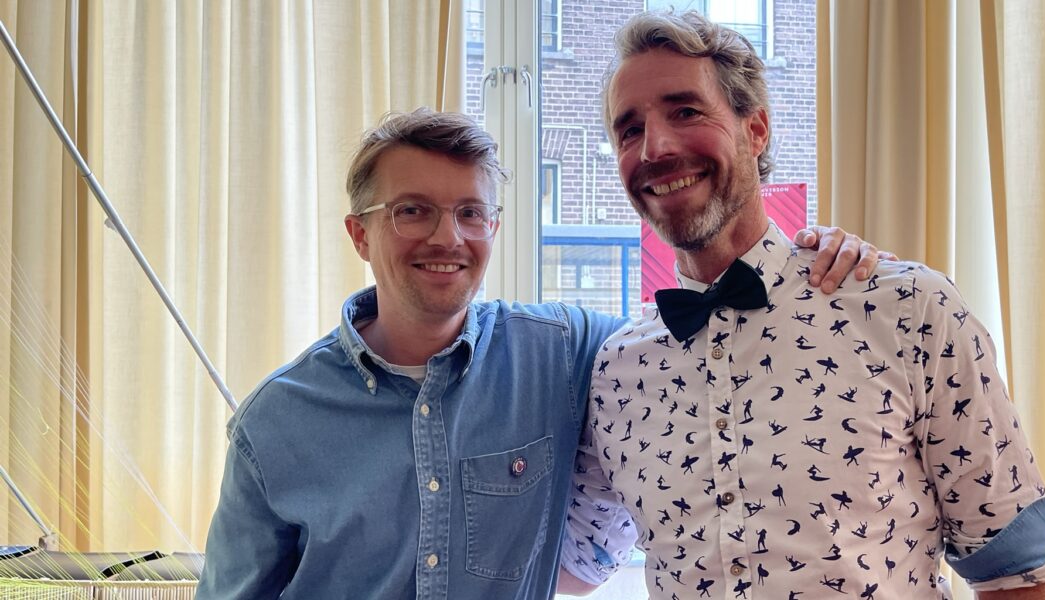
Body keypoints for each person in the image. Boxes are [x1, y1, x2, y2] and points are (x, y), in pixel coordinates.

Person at [196, 108, 882, 599]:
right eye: (412, 210)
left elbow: (704, 337)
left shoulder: (567, 352)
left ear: (493, 227)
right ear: (359, 234)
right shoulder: (275, 424)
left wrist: (809, 262)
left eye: (471, 212)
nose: (448, 238)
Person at [578, 10, 1045, 600]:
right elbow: (574, 563)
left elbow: (1019, 573)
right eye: (630, 130)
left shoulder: (908, 311)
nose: (655, 146)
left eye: (685, 111)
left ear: (756, 130)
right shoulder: (614, 371)